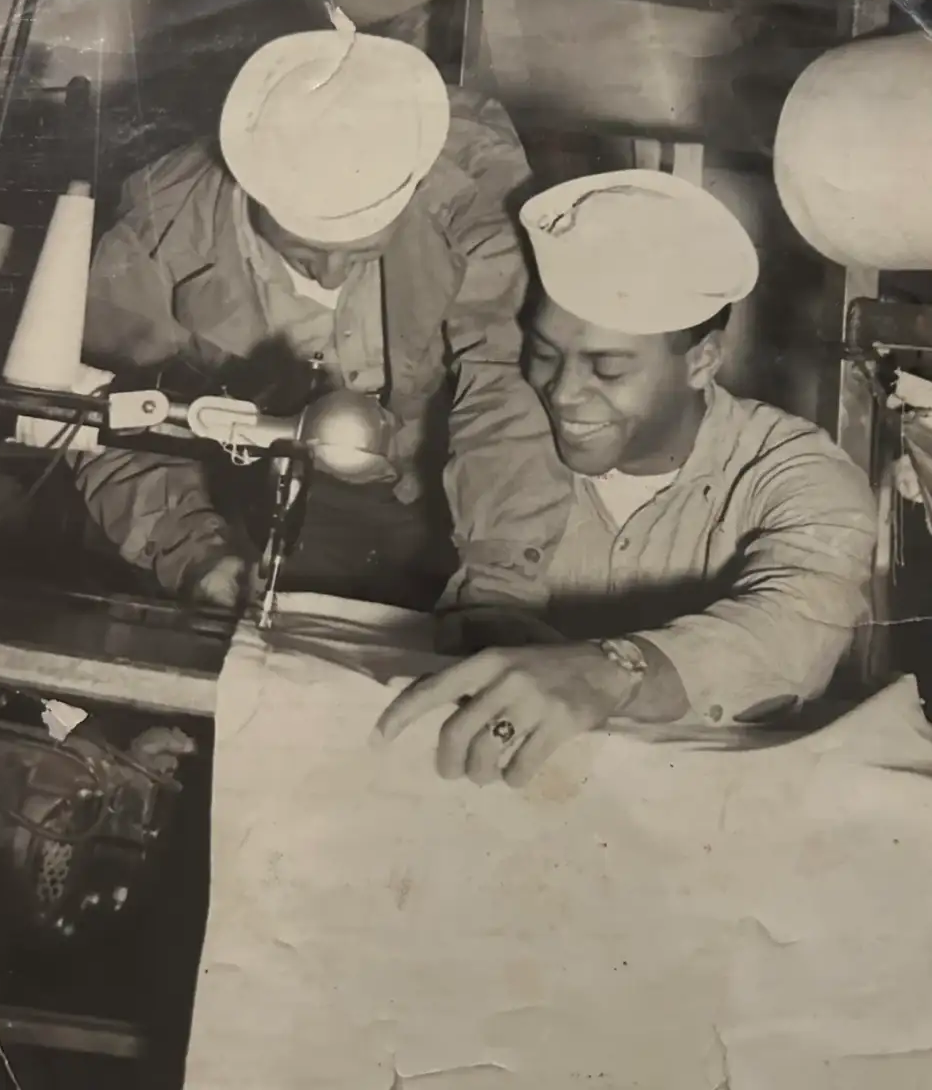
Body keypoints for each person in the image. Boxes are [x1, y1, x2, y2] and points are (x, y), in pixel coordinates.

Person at [376, 169, 879, 786]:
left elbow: (797, 622)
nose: (563, 393)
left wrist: (611, 670)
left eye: (608, 370)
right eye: (544, 355)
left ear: (702, 361)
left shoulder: (796, 474)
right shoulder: (490, 443)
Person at [67, 26, 571, 630]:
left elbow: (502, 388)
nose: (332, 273)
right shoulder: (158, 232)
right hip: (239, 495)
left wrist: (500, 590)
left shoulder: (468, 190)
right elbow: (110, 419)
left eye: (360, 254)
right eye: (305, 253)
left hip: (447, 484)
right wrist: (193, 552)